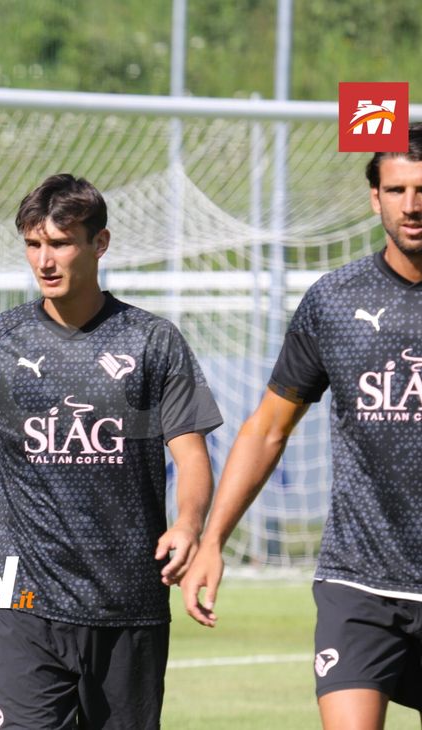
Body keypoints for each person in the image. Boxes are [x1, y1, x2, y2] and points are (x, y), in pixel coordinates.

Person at [0, 174, 222, 729]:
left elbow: (193, 455)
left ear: (99, 244)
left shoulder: (153, 342)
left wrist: (189, 523)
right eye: (34, 245)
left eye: (60, 243)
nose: (44, 260)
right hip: (23, 601)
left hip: (128, 601)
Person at [182, 124, 422, 728]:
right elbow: (267, 429)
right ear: (374, 198)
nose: (412, 205)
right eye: (396, 190)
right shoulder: (334, 301)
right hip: (358, 581)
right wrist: (213, 540)